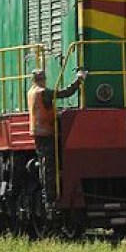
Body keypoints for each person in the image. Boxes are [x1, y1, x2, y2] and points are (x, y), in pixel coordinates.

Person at [27, 67, 87, 206]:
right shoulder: (43, 92)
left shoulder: (31, 92)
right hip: (47, 132)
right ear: (43, 79)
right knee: (49, 166)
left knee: (44, 164)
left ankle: (48, 195)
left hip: (37, 132)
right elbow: (66, 93)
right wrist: (79, 80)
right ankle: (50, 197)